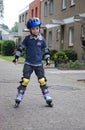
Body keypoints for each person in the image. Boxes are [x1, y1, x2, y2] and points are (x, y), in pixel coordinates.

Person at [13, 17, 53, 107]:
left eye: (37, 28)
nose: (35, 30)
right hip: (28, 64)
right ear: (30, 30)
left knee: (42, 80)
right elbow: (20, 48)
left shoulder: (42, 40)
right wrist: (16, 57)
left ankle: (47, 96)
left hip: (39, 64)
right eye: (33, 29)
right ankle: (19, 95)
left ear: (39, 28)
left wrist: (48, 60)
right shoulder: (27, 39)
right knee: (25, 80)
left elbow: (46, 51)